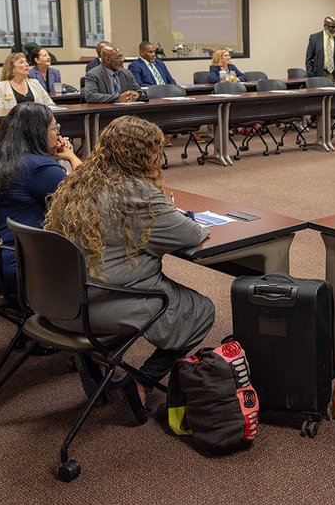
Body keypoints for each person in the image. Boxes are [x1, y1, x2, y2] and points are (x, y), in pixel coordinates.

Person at [44, 115, 214, 386]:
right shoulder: (137, 194)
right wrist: (174, 212)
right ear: (144, 154)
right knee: (200, 309)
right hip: (97, 304)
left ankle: (95, 362)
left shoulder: (79, 180)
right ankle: (141, 384)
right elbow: (192, 234)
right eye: (157, 150)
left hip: (54, 298)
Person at [0, 102, 80, 296]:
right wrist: (72, 157)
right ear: (38, 132)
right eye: (54, 128)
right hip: (13, 269)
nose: (58, 134)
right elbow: (85, 196)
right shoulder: (40, 168)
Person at [305, 16, 335, 84]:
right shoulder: (314, 38)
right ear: (325, 26)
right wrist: (311, 76)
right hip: (319, 75)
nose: (334, 29)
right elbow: (309, 59)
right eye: (332, 27)